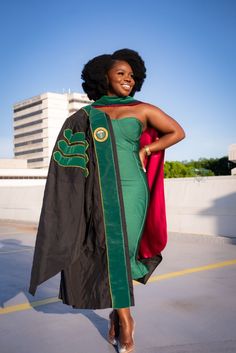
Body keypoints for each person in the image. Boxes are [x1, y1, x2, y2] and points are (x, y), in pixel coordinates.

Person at [29, 48, 185, 353]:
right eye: (120, 74)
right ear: (105, 79)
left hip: (133, 189)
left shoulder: (141, 109)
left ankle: (119, 313)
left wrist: (147, 150)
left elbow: (177, 132)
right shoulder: (86, 116)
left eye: (131, 75)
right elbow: (69, 160)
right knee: (107, 252)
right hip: (98, 193)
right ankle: (124, 317)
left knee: (123, 251)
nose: (128, 79)